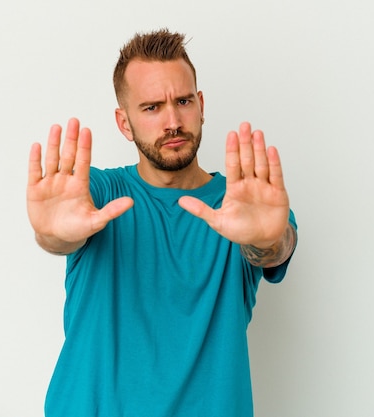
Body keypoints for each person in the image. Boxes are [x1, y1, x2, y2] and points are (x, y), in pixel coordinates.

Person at [27, 28, 297, 417]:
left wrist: (269, 241)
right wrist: (52, 234)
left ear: (201, 105)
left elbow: (274, 247)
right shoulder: (97, 193)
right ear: (124, 123)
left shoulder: (244, 203)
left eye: (183, 101)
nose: (172, 121)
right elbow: (58, 236)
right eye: (151, 107)